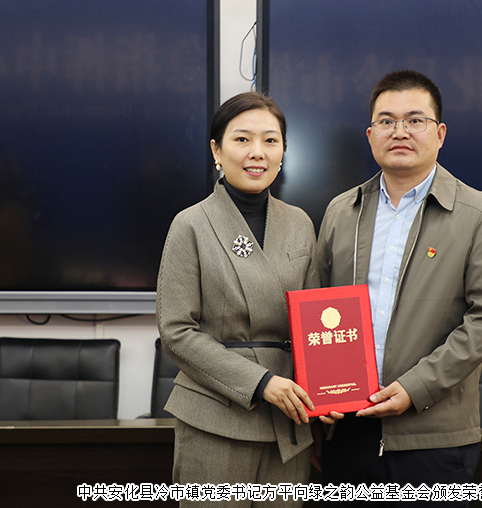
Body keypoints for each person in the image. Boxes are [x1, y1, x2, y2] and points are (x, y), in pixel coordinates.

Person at [314, 70, 482, 505]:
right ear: (371, 135)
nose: (400, 131)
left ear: (440, 133)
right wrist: (321, 395)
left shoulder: (480, 214)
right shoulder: (341, 212)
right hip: (347, 430)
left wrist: (416, 387)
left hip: (432, 439)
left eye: (415, 120)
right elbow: (319, 308)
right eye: (386, 121)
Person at [156, 92, 318, 506]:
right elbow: (176, 331)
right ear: (217, 150)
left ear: (283, 151)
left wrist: (330, 391)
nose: (257, 152)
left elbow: (316, 322)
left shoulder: (300, 223)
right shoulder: (190, 224)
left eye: (270, 140)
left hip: (289, 419)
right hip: (217, 418)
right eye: (242, 139)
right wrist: (260, 382)